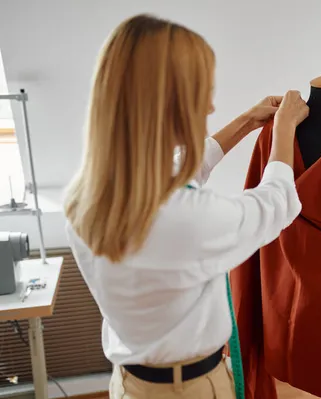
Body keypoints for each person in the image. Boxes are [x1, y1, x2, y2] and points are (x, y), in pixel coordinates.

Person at [63, 14, 308, 399]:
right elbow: (274, 204)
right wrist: (284, 130)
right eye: (200, 93)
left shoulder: (90, 194)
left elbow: (180, 169)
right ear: (166, 103)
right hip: (189, 388)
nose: (209, 107)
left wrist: (247, 121)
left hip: (130, 384)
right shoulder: (183, 219)